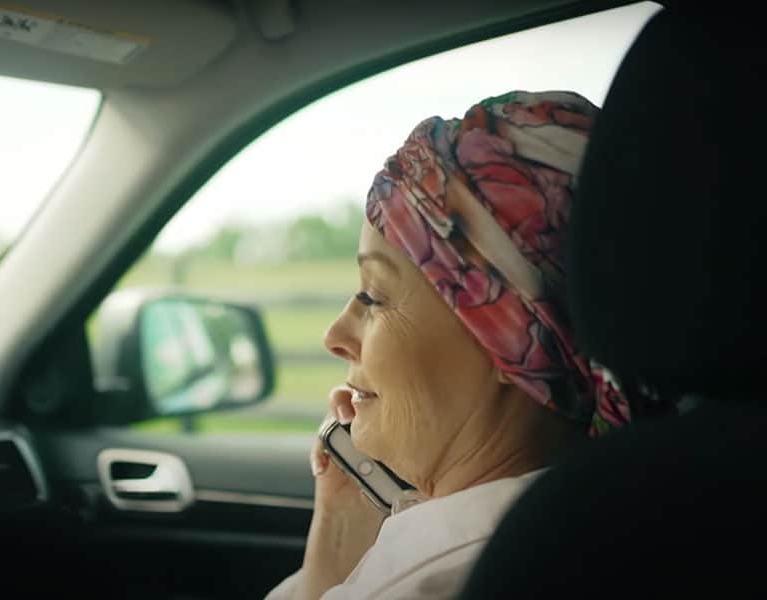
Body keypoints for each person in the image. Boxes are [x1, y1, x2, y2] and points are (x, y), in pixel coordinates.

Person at [265, 90, 632, 600]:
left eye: (372, 297)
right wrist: (340, 528)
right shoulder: (623, 523)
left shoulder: (436, 580)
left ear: (507, 336)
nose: (334, 337)